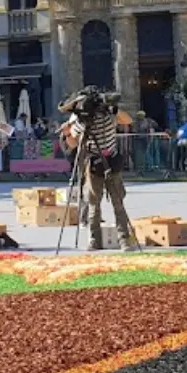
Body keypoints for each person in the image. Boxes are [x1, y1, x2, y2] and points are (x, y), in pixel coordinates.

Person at [61, 86, 139, 251]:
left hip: (108, 161)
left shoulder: (104, 115)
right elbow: (73, 143)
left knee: (111, 203)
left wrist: (112, 109)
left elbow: (127, 120)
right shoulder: (88, 119)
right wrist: (68, 132)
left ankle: (116, 240)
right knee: (98, 204)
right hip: (96, 162)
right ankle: (101, 240)